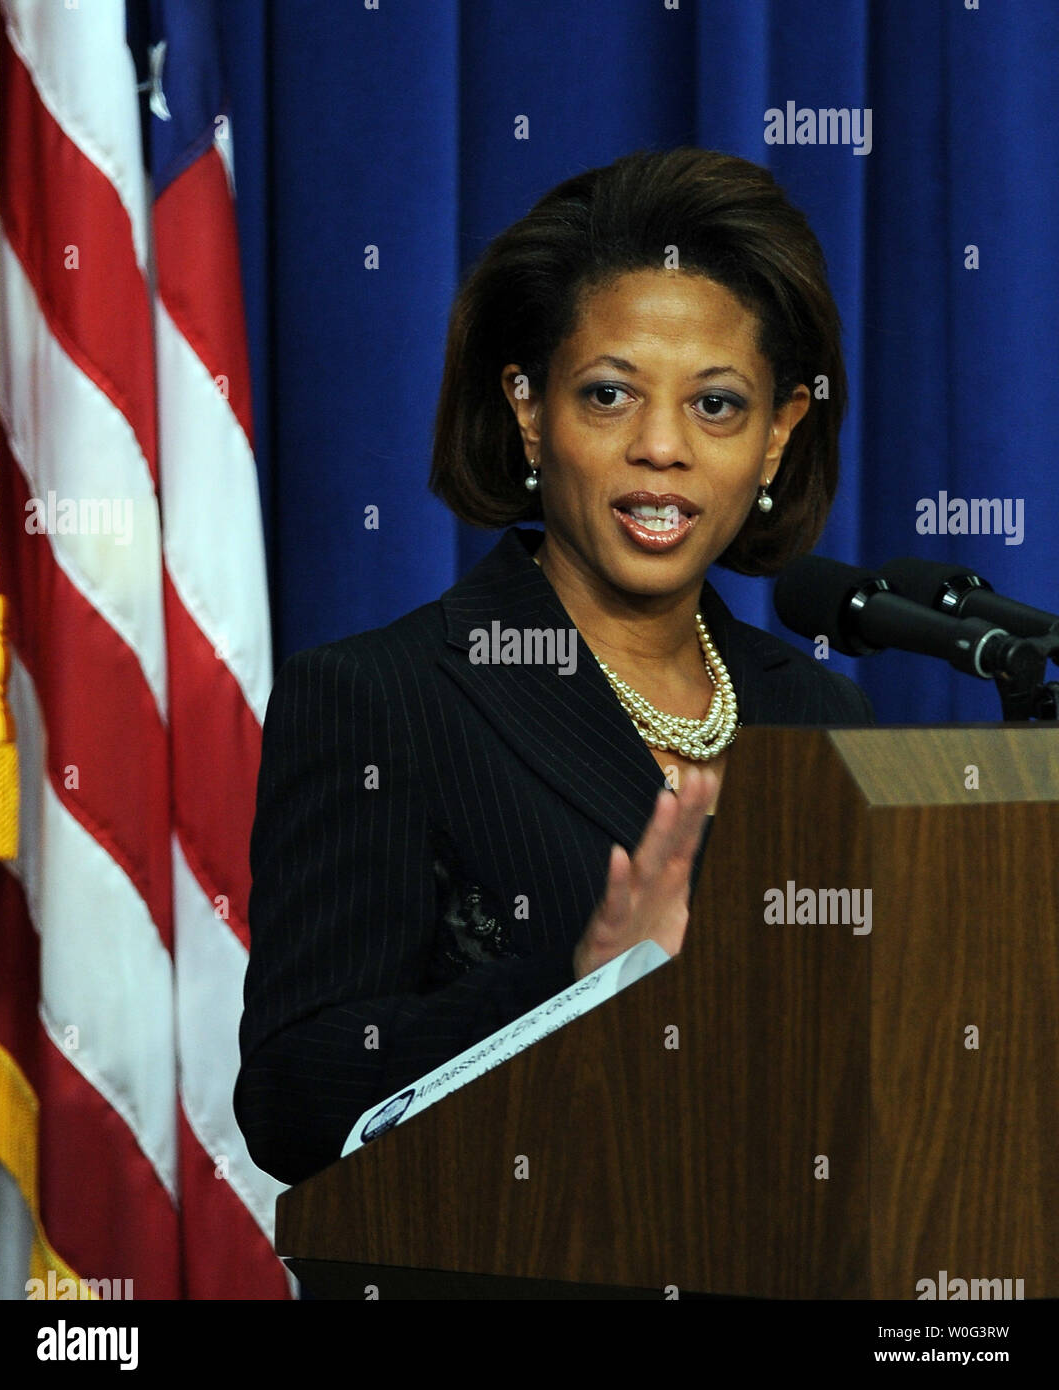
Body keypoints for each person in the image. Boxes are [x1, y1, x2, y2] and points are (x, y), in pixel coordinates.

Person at [234, 147, 874, 1187]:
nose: (661, 447)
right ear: (529, 409)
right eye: (610, 394)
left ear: (776, 436)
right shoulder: (382, 698)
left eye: (716, 405)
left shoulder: (821, 711)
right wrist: (578, 985)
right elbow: (293, 1095)